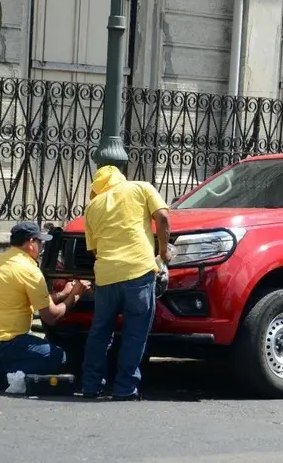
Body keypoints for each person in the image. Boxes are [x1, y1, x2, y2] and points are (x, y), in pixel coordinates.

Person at [0, 222, 89, 390]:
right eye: (40, 242)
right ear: (30, 243)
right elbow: (51, 317)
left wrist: (63, 293)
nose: (41, 247)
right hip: (4, 342)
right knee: (59, 357)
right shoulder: (29, 270)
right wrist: (75, 296)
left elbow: (31, 299)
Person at [81, 165, 171, 401]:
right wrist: (163, 251)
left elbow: (95, 250)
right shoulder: (141, 188)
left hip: (106, 276)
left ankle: (91, 386)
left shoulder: (92, 208)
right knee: (134, 334)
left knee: (100, 332)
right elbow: (162, 217)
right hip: (139, 271)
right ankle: (124, 388)